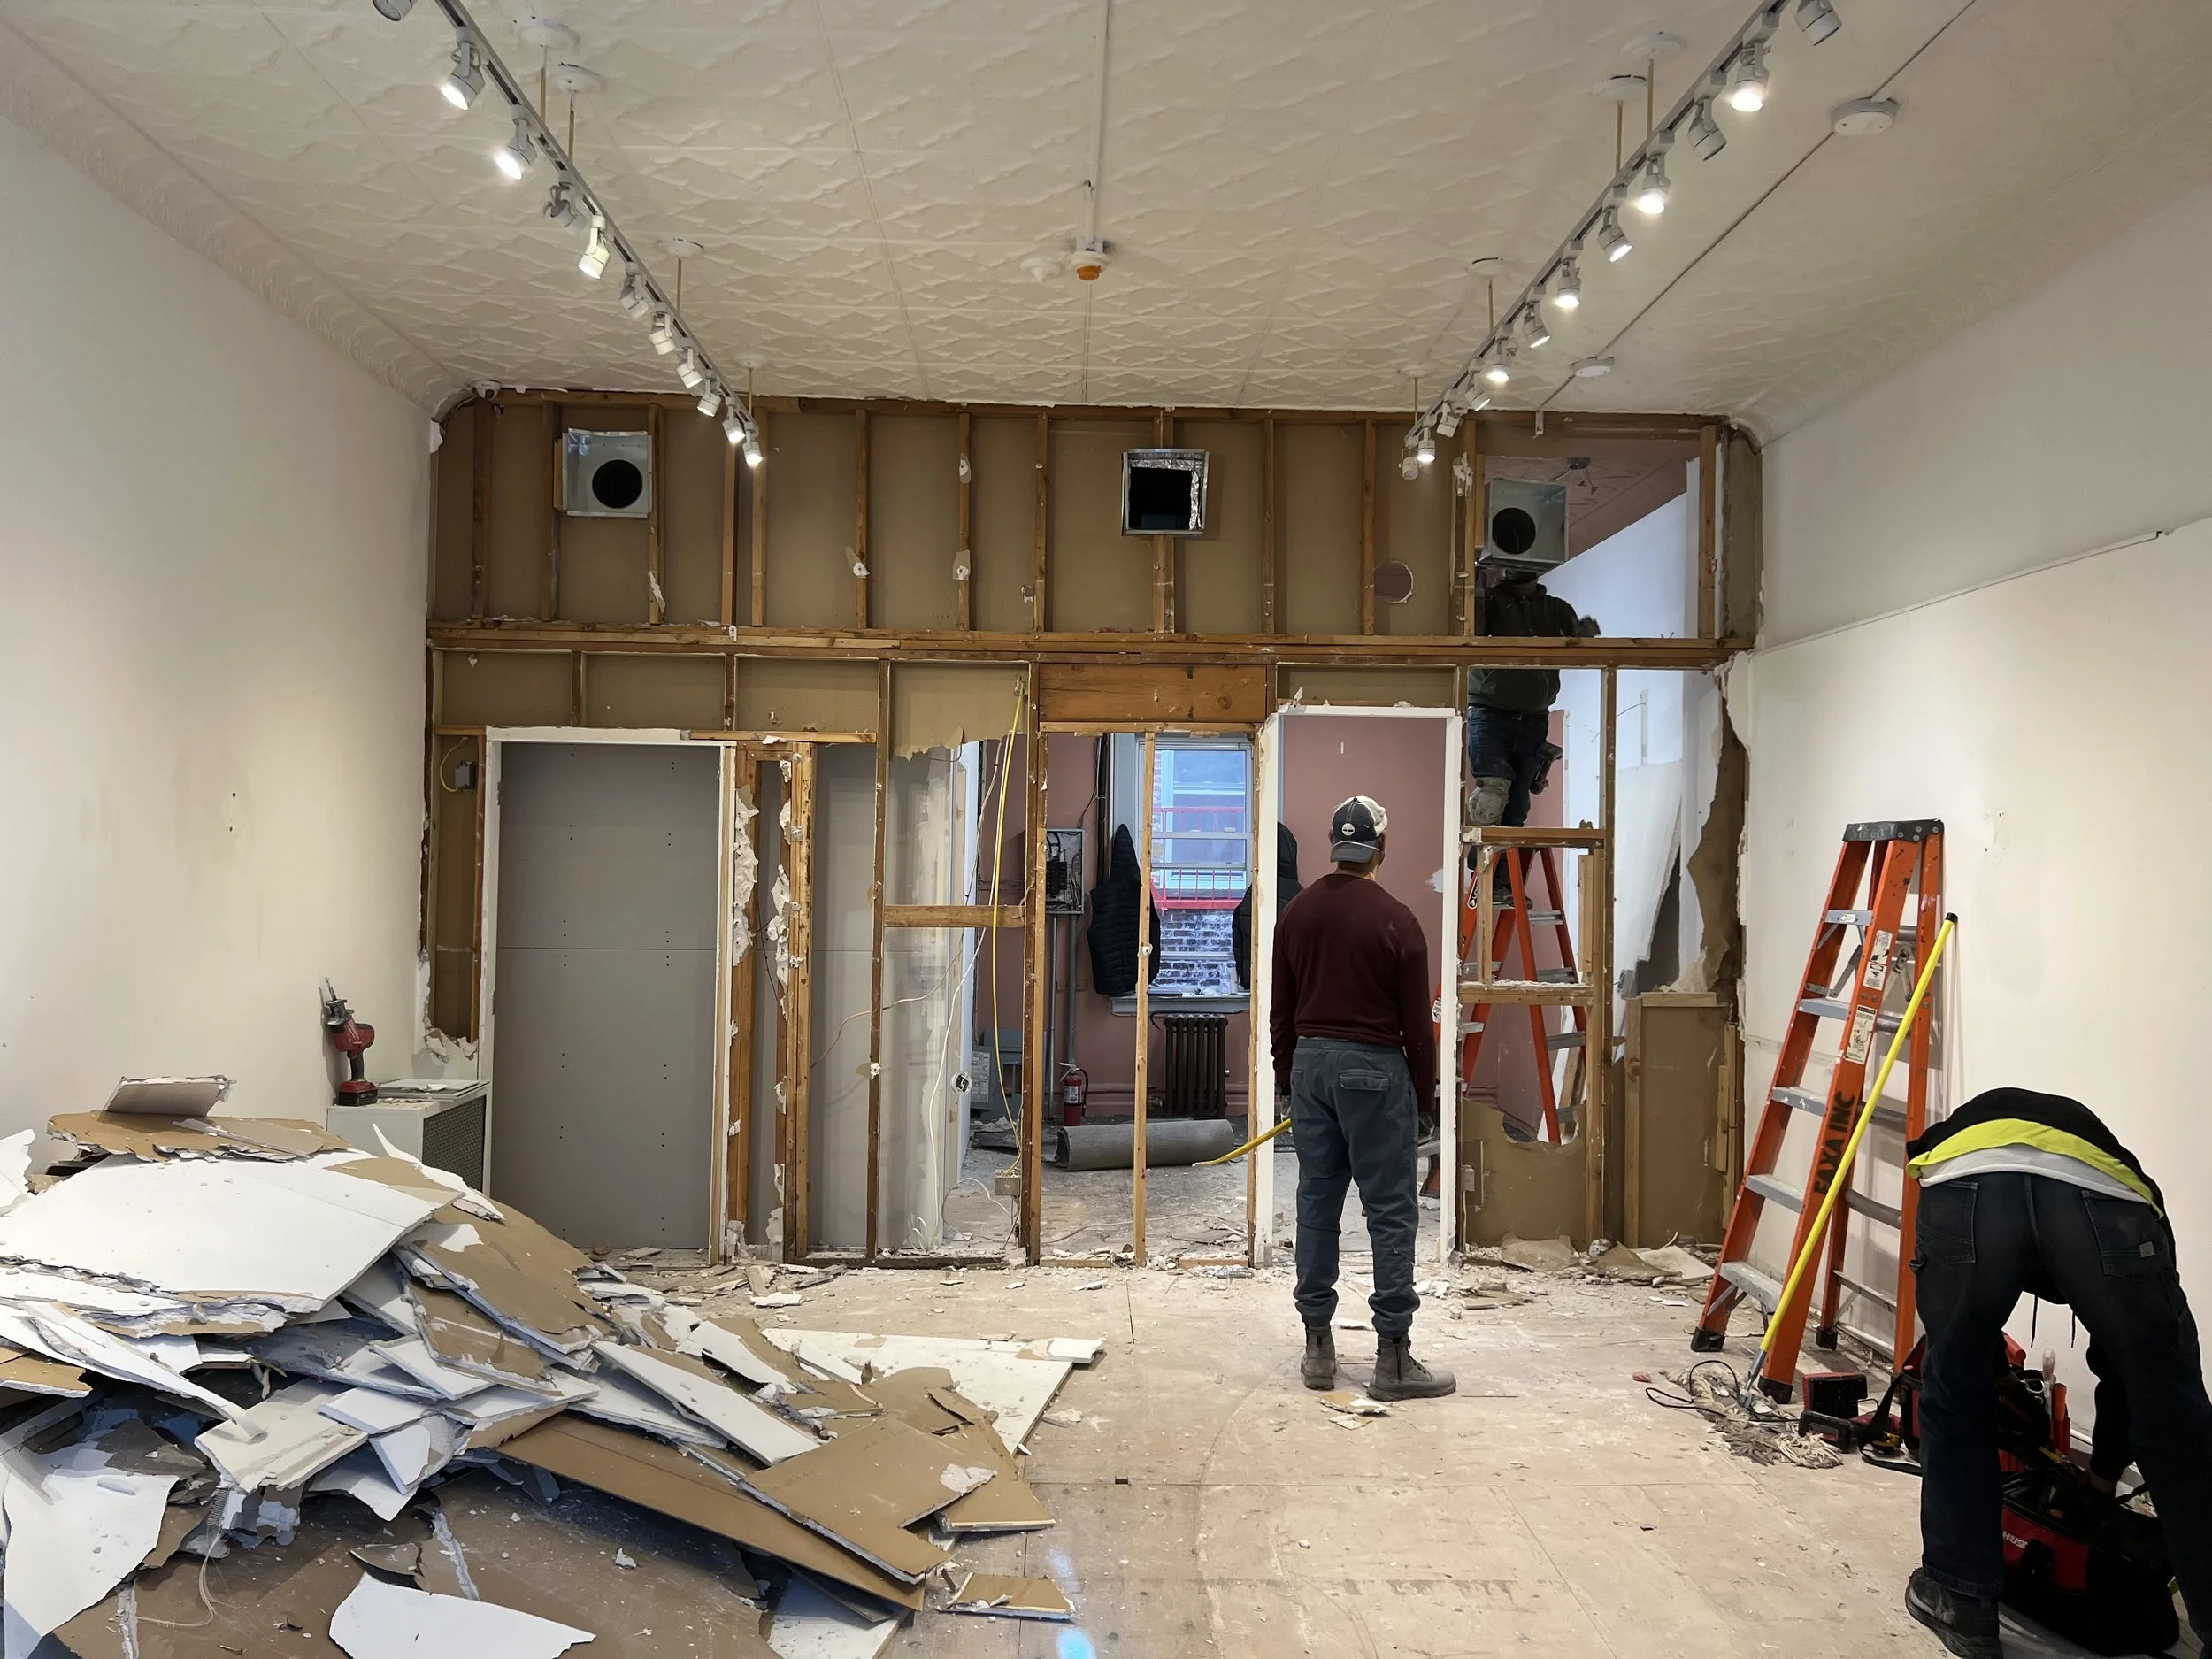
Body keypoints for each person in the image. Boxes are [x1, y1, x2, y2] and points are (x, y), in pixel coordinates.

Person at [1903, 1087, 2212, 1658]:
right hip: (2099, 1194)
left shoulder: (1960, 1139)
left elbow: (1967, 1337)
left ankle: (1961, 1599)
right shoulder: (2126, 1181)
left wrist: (2095, 1476)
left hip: (1968, 1176)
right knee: (2177, 1418)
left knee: (1954, 1385)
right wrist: (2102, 1475)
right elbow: (2130, 1369)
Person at [1270, 795, 1453, 1402]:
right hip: (1376, 1073)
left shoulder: (1296, 914)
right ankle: (1392, 1358)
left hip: (1312, 1069)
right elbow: (1415, 1028)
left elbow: (1282, 1013)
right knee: (1390, 1212)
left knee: (1317, 1205)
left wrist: (1285, 1079)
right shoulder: (1398, 920)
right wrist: (1423, 1100)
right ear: (1382, 848)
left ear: (1331, 843)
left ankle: (1318, 1347)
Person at [1466, 567, 1594, 855]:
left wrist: (1581, 639)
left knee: (1518, 803)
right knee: (1492, 795)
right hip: (1490, 711)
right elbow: (1469, 632)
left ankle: (1502, 884)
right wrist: (1475, 590)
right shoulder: (1490, 602)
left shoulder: (1556, 610)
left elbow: (1579, 653)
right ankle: (1482, 878)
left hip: (1535, 716)